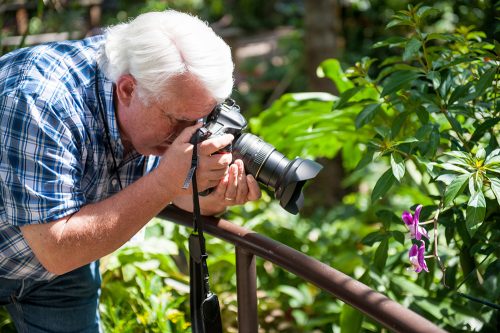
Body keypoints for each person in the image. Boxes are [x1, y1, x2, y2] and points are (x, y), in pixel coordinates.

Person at [0, 10, 261, 332]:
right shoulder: (40, 100)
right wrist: (167, 179)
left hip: (58, 274)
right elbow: (56, 248)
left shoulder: (157, 91)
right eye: (180, 121)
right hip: (52, 248)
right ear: (127, 90)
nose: (192, 134)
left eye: (203, 120)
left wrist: (209, 193)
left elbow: (177, 195)